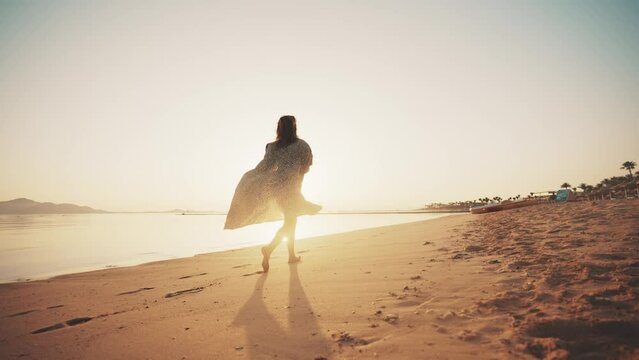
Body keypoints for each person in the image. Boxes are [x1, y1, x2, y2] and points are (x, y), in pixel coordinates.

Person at [225, 115, 321, 272]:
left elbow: (264, 168)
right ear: (294, 127)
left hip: (277, 189)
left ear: (279, 128)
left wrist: (250, 178)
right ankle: (269, 249)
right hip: (291, 188)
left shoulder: (272, 147)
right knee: (291, 222)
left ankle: (290, 255)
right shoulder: (302, 145)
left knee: (291, 221)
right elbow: (305, 167)